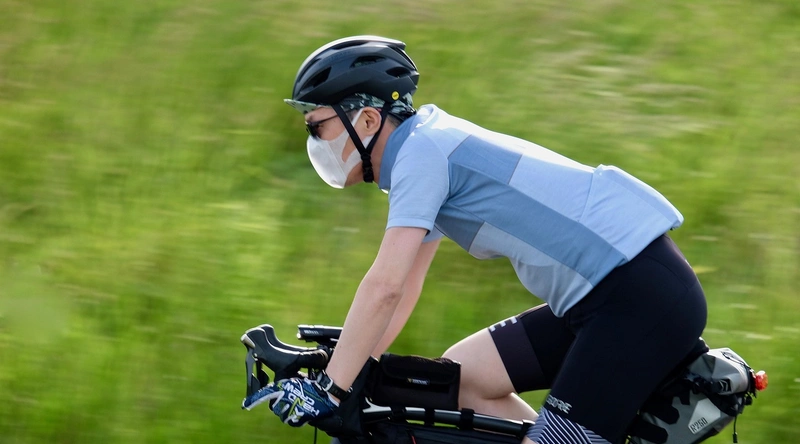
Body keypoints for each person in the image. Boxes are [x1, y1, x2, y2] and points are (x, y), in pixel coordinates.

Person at [243, 35, 707, 444]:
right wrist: (352, 368)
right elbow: (404, 288)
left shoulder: (422, 154)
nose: (314, 140)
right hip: (609, 293)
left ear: (366, 120)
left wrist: (330, 391)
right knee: (465, 377)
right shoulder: (421, 148)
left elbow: (384, 286)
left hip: (636, 297)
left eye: (317, 126)